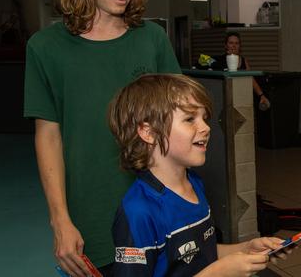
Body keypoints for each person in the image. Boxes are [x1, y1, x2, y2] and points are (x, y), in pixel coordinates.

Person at [23, 0, 181, 275]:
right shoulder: (45, 48)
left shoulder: (151, 39)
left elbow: (179, 118)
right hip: (90, 210)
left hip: (157, 202)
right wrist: (60, 220)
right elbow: (48, 135)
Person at [107, 73, 286, 276]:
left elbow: (200, 254)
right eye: (190, 119)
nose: (206, 127)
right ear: (149, 133)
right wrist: (217, 273)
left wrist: (246, 249)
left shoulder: (194, 183)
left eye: (204, 118)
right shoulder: (138, 212)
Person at [214, 32, 270, 109]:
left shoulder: (243, 60)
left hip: (242, 96)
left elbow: (251, 79)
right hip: (226, 98)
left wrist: (261, 95)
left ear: (240, 46)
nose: (234, 46)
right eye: (231, 43)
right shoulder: (219, 61)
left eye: (237, 43)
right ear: (226, 45)